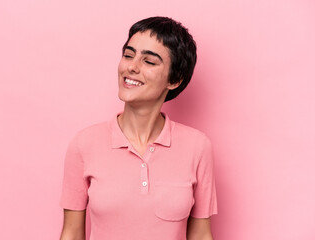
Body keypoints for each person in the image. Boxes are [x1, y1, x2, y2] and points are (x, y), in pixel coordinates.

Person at [59, 16, 218, 240]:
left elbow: (201, 235)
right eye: (128, 55)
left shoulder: (198, 146)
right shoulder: (84, 144)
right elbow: (72, 234)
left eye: (149, 62)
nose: (131, 67)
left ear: (174, 80)